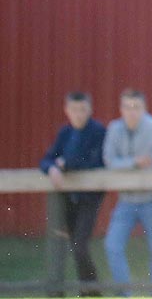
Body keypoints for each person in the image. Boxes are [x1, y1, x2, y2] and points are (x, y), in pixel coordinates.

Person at [40, 92, 106, 297]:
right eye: (74, 110)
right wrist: (51, 168)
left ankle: (91, 292)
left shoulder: (98, 131)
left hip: (88, 197)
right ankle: (60, 293)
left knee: (79, 245)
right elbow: (47, 159)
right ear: (67, 111)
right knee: (62, 245)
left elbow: (95, 161)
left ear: (90, 110)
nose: (79, 114)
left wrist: (66, 164)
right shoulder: (65, 133)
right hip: (67, 198)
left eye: (83, 109)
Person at [102, 89, 152, 296]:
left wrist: (125, 164)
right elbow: (108, 161)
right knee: (112, 245)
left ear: (144, 109)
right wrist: (133, 162)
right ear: (121, 109)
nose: (132, 112)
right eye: (127, 107)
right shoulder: (114, 129)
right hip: (127, 200)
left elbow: (148, 163)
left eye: (136, 107)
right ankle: (125, 295)